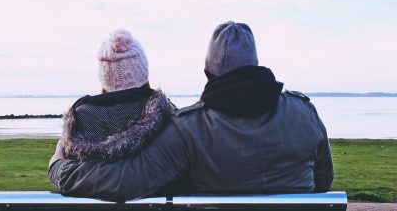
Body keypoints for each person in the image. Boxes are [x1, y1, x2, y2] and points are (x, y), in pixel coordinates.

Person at [49, 21, 333, 202]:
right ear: (257, 64)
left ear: (209, 73)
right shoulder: (305, 113)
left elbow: (126, 182)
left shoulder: (189, 128)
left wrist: (62, 169)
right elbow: (322, 182)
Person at [56, 29, 173, 162]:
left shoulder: (81, 119)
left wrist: (56, 164)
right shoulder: (165, 113)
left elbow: (74, 177)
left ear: (104, 76)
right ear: (143, 71)